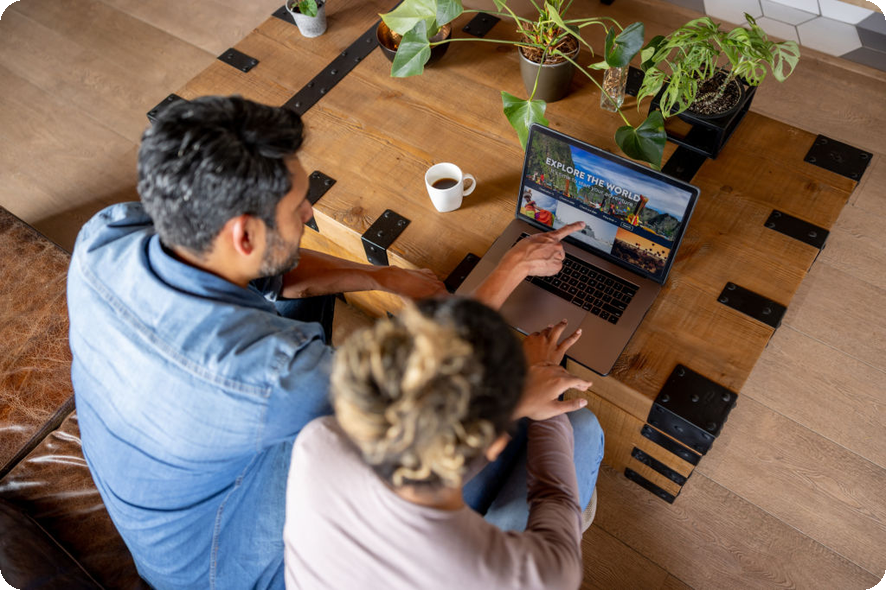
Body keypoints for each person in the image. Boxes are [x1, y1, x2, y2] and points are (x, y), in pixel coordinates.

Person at [66, 95, 587, 589]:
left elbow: (275, 271)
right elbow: (424, 393)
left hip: (176, 497)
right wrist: (512, 287)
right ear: (244, 235)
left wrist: (383, 277)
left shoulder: (106, 236)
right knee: (564, 428)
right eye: (298, 205)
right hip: (224, 569)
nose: (311, 213)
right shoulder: (276, 376)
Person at [283, 297, 605, 589]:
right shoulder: (540, 575)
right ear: (493, 445)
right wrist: (544, 381)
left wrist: (515, 401)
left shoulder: (319, 441)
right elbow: (555, 497)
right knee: (583, 427)